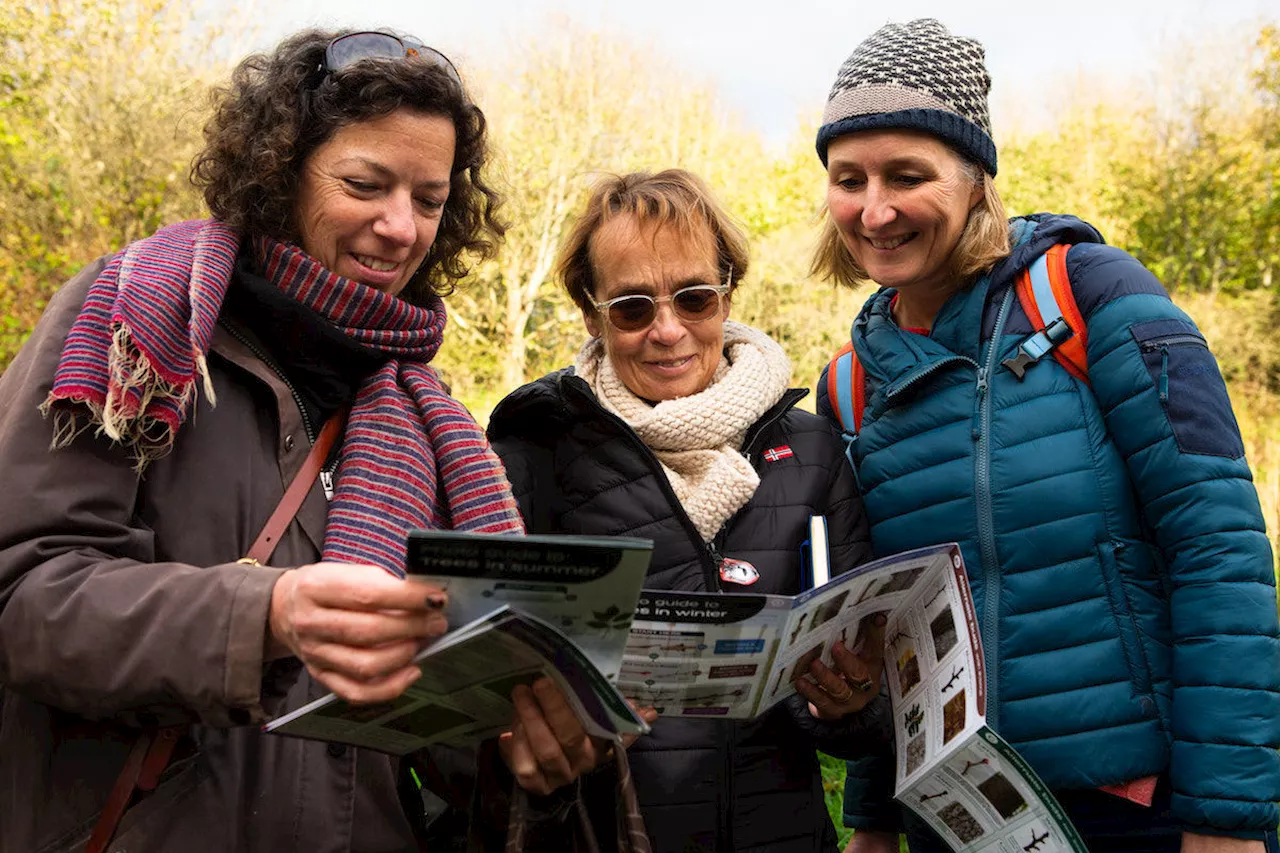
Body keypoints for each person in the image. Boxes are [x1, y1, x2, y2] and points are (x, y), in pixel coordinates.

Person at [0, 28, 527, 852]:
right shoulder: (134, 329)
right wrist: (264, 614)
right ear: (279, 173)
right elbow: (26, 596)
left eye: (429, 200)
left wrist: (530, 753)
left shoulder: (425, 415)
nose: (401, 228)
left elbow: (432, 735)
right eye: (365, 183)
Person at [809, 18, 1280, 853]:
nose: (874, 209)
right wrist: (875, 821)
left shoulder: (1093, 295)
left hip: (1137, 810)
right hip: (956, 819)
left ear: (975, 178)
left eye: (906, 175)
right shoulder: (850, 383)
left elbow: (1219, 549)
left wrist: (1225, 818)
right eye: (849, 179)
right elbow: (900, 629)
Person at [486, 168, 892, 853]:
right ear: (592, 312)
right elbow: (487, 708)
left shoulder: (812, 449)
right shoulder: (534, 451)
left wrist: (848, 702)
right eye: (633, 308)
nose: (668, 330)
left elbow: (862, 715)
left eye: (695, 298)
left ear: (727, 292)